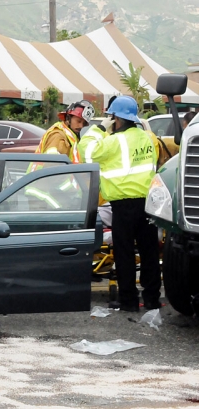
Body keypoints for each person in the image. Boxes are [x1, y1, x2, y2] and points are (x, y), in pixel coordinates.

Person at [78, 96, 160, 312]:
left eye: (112, 117)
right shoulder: (148, 138)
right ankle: (152, 300)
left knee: (124, 255)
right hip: (148, 204)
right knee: (149, 253)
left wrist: (98, 129)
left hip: (123, 206)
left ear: (117, 118)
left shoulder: (113, 142)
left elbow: (86, 152)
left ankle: (129, 302)